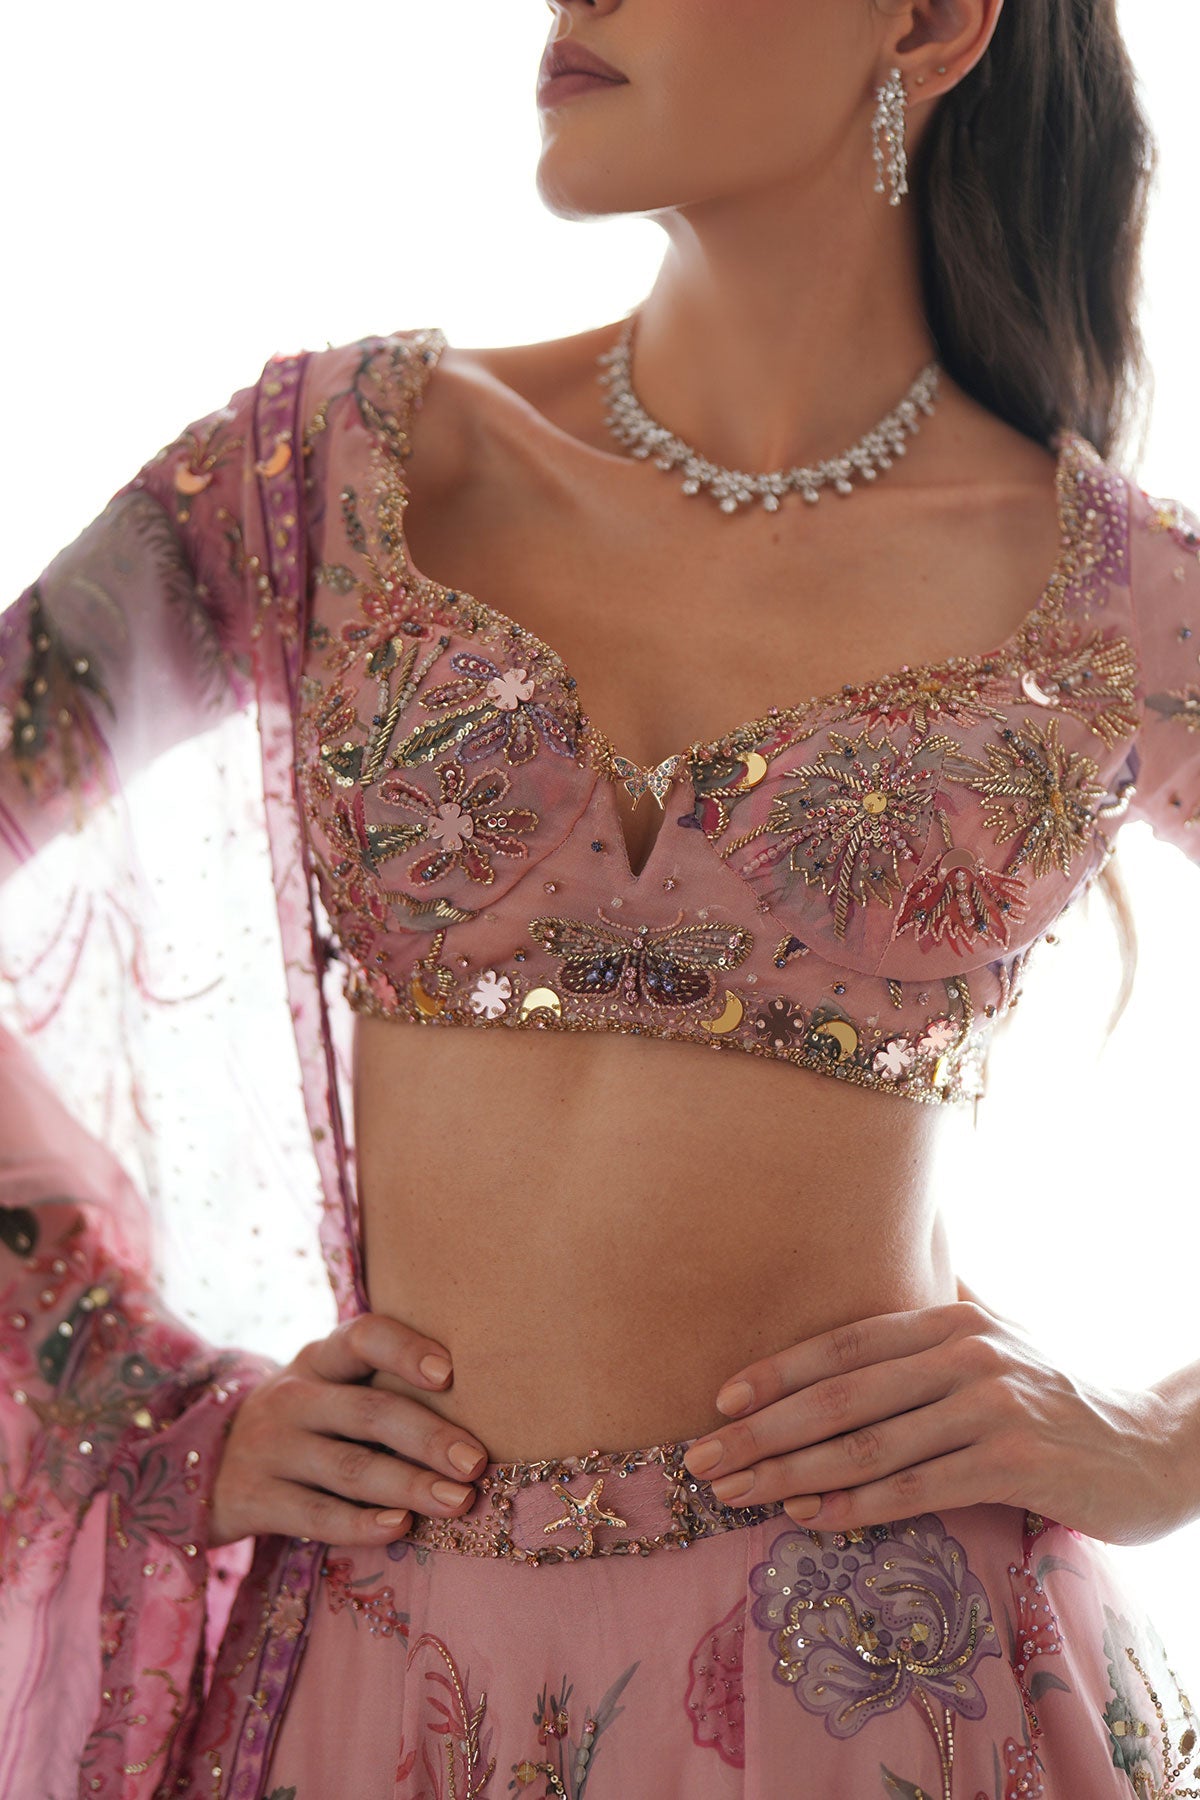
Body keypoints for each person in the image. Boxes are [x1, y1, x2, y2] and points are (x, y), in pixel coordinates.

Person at [3, 0, 1200, 1793]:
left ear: (933, 20)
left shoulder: (1114, 599)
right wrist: (121, 1372)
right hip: (371, 1681)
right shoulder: (337, 472)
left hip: (893, 1696)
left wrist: (1168, 1438)